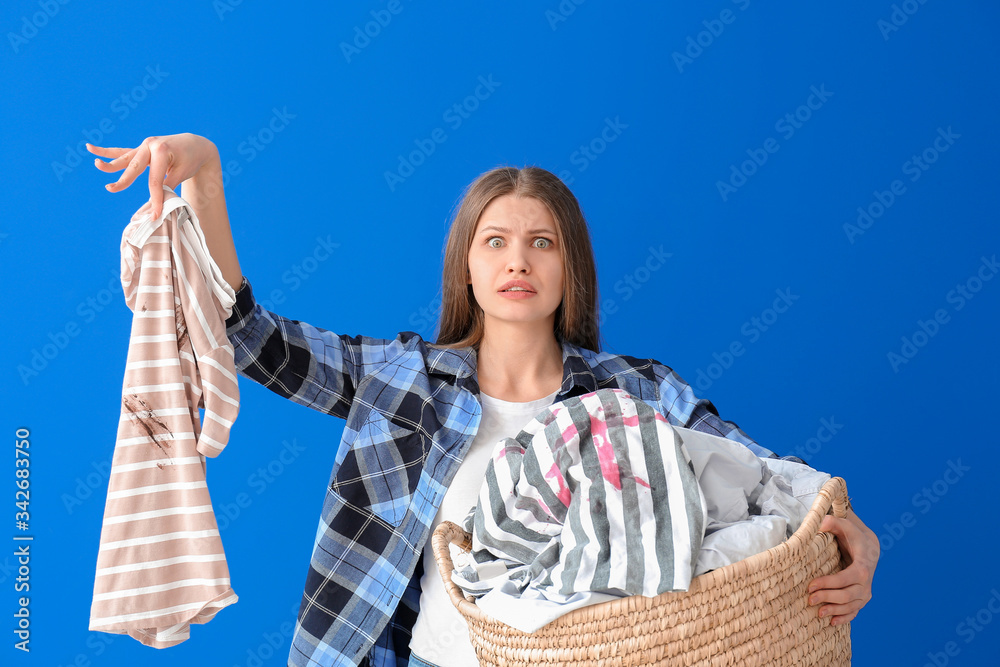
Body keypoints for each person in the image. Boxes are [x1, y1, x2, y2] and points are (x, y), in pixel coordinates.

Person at [88, 134, 879, 667]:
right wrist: (206, 175)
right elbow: (254, 340)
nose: (518, 260)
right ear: (465, 266)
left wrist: (853, 536)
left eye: (542, 241)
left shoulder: (637, 389)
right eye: (494, 240)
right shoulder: (402, 379)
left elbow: (767, 479)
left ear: (571, 267)